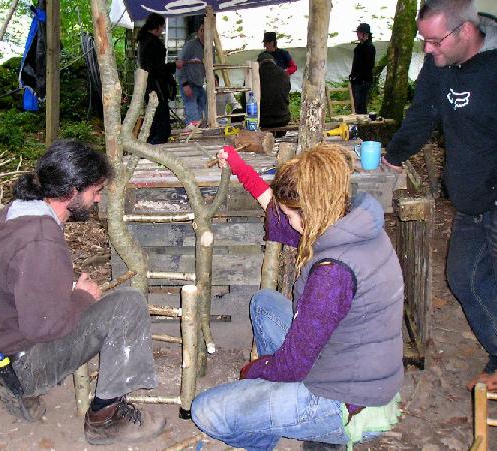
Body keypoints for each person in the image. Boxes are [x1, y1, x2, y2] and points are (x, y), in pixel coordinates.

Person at [191, 143, 404, 450]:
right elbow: (271, 204)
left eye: (292, 214)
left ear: (312, 211)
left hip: (349, 401)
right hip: (354, 363)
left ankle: (317, 431)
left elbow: (293, 365)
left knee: (206, 411)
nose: (288, 221)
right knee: (265, 305)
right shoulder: (353, 221)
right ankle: (277, 423)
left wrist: (256, 371)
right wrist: (238, 166)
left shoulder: (334, 274)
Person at [0, 139, 165, 446]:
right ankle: (106, 418)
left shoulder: (20, 215)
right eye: (95, 191)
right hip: (20, 364)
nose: (99, 200)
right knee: (128, 304)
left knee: (94, 302)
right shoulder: (40, 240)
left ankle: (18, 390)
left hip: (1, 357)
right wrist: (82, 297)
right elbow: (44, 326)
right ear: (72, 191)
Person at [382, 0, 497, 390]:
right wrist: (393, 156)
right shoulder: (439, 64)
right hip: (469, 198)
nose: (428, 51)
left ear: (465, 31)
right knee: (463, 277)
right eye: (424, 42)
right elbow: (422, 112)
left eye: (434, 41)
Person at [137, 13, 179, 144]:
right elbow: (156, 69)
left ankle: (150, 147)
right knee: (161, 127)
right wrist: (173, 65)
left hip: (149, 86)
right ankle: (156, 152)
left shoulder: (143, 40)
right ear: (157, 27)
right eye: (162, 28)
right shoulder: (151, 43)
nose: (162, 31)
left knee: (154, 124)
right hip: (156, 87)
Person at [177, 23, 207, 126]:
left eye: (205, 30)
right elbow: (179, 64)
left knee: (204, 110)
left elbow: (210, 66)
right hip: (189, 83)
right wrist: (184, 84)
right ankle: (192, 134)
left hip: (199, 84)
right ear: (198, 32)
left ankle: (198, 133)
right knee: (193, 114)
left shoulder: (210, 48)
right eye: (201, 30)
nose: (203, 33)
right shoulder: (190, 45)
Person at [257, 52, 291, 135]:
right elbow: (286, 92)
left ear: (258, 63)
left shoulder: (254, 75)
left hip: (262, 120)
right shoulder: (284, 74)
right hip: (282, 119)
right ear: (274, 62)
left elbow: (245, 99)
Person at [349, 23, 376, 114]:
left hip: (363, 81)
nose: (358, 35)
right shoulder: (360, 47)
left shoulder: (369, 48)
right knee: (357, 104)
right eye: (358, 33)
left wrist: (359, 77)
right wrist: (353, 76)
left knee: (361, 104)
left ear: (365, 34)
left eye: (359, 33)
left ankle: (362, 124)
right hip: (357, 80)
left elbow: (369, 66)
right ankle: (359, 123)